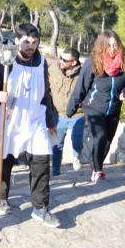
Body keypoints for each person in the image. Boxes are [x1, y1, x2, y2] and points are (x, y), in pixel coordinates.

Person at [0, 24, 60, 228]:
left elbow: (45, 91)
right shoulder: (5, 60)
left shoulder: (42, 62)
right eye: (26, 41)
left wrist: (50, 120)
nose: (31, 46)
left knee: (41, 161)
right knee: (5, 158)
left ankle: (40, 208)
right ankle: (1, 196)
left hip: (36, 118)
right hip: (11, 118)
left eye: (34, 42)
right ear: (17, 40)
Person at [66, 30, 125, 183]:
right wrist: (71, 108)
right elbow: (81, 86)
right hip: (93, 107)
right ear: (102, 46)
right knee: (99, 136)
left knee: (107, 140)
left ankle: (95, 166)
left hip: (113, 108)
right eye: (109, 45)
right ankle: (98, 171)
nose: (113, 48)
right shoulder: (93, 62)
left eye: (115, 45)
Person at [49, 48, 86, 176]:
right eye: (60, 57)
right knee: (57, 144)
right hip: (58, 115)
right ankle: (55, 171)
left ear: (74, 62)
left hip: (78, 115)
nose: (61, 61)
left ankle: (76, 157)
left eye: (64, 60)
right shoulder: (52, 69)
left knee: (77, 141)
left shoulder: (83, 74)